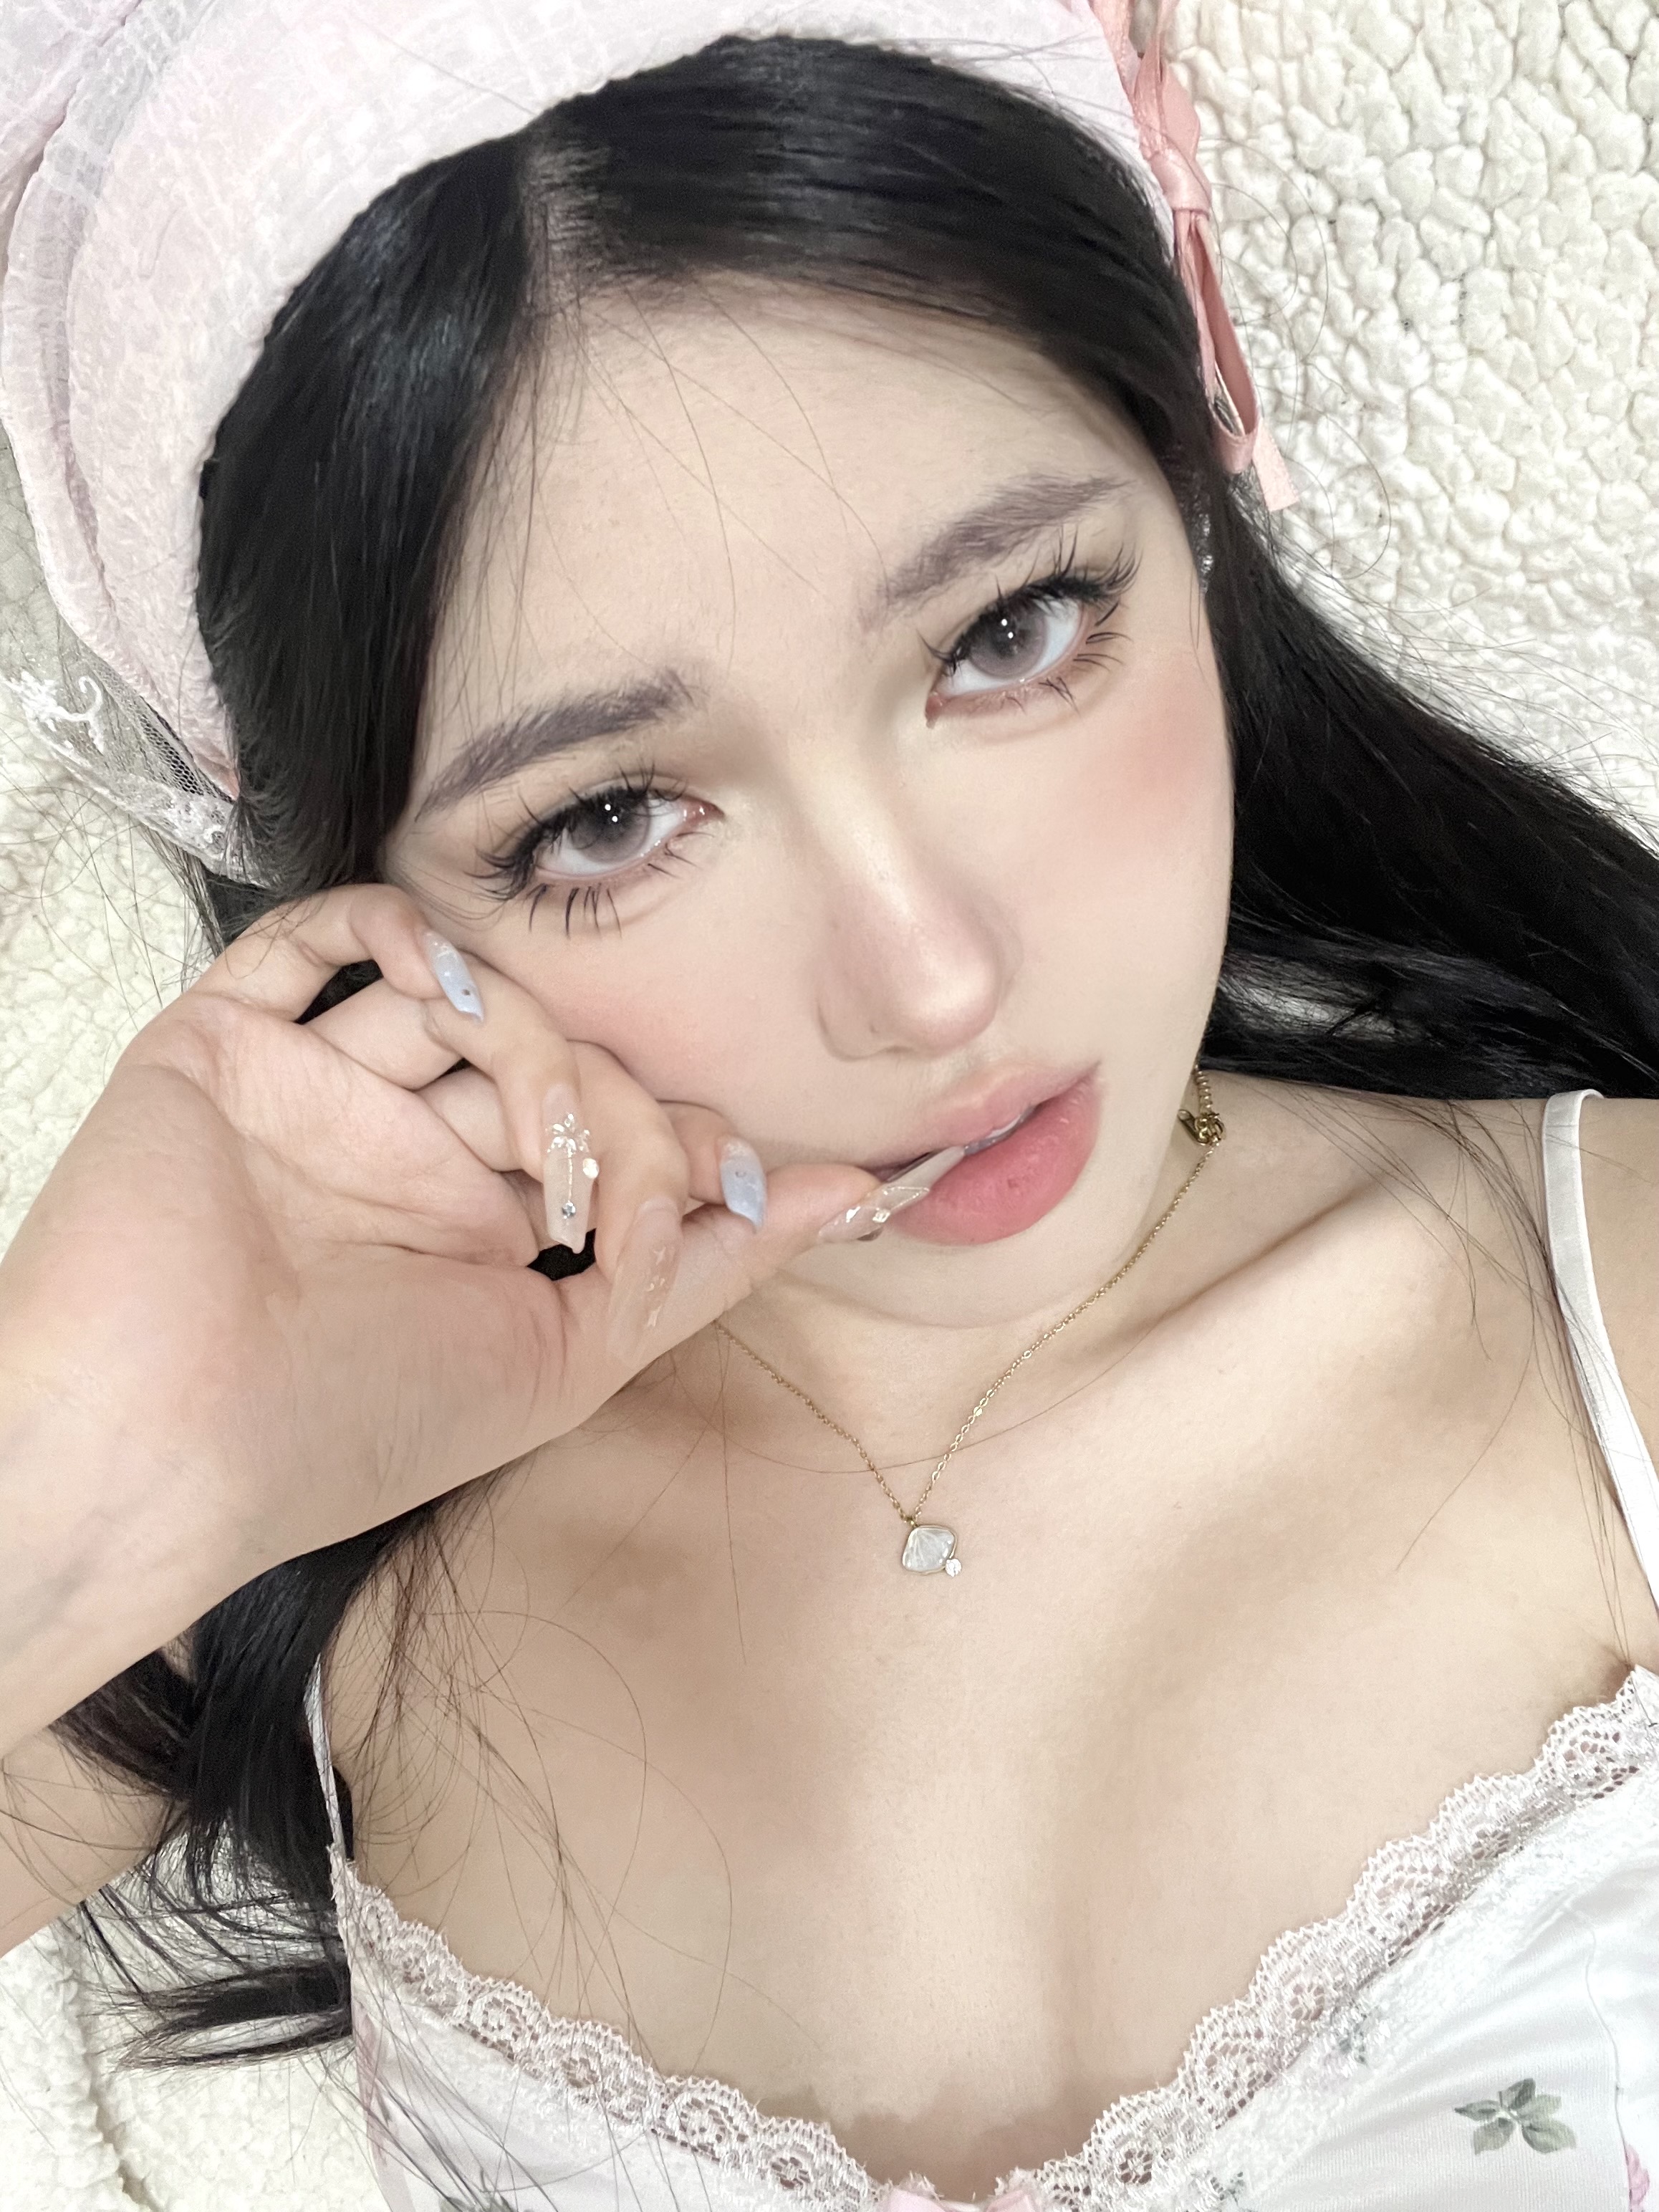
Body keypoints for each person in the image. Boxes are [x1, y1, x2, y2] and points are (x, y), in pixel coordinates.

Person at [1, 4, 1657, 2208]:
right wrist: (83, 1452)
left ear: (1191, 484)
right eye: (606, 817)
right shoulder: (269, 1557)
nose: (929, 979)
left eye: (1010, 630)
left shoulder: (1614, 1315)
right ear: (360, 894)